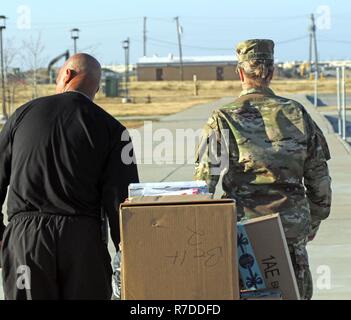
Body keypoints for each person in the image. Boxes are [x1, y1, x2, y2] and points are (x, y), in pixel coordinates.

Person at [194, 39, 332, 300]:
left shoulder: (222, 118)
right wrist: (311, 223)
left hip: (243, 234)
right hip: (290, 229)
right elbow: (320, 181)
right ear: (271, 72)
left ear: (240, 73)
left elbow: (202, 188)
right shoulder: (297, 114)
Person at [0, 53, 139, 300]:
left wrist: (4, 242)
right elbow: (124, 205)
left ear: (67, 74)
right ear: (95, 88)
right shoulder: (113, 130)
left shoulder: (21, 116)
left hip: (26, 241)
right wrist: (128, 256)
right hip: (82, 243)